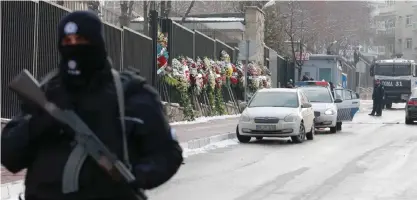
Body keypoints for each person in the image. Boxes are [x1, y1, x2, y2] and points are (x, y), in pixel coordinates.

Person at [1, 11, 183, 200]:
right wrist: (39, 124)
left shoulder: (130, 94)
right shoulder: (46, 94)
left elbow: (168, 153)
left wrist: (135, 176)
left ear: (98, 43)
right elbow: (8, 156)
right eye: (68, 41)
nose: (74, 47)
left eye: (81, 39)